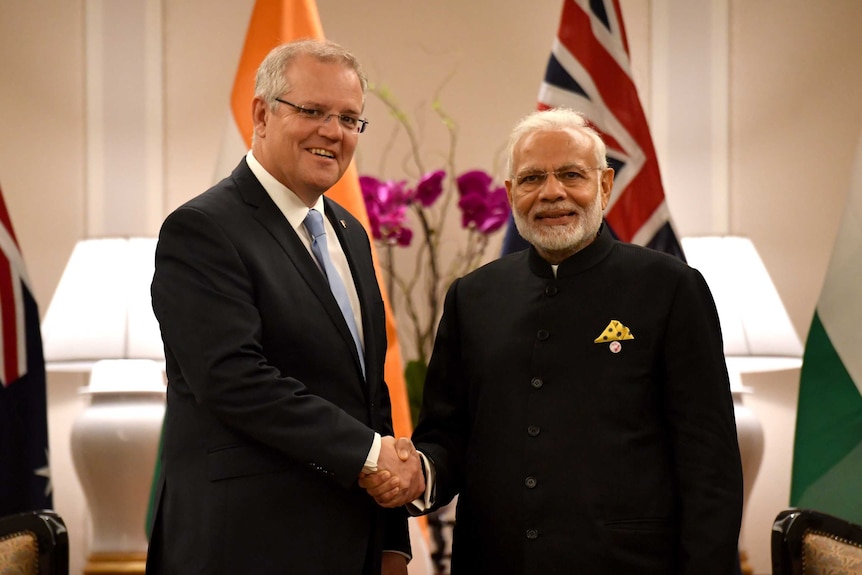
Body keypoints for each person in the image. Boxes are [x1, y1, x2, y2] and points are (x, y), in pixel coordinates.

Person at [362, 108, 744, 574]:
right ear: (509, 194)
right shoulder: (473, 296)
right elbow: (447, 436)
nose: (551, 193)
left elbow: (711, 468)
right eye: (531, 179)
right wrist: (418, 474)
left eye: (571, 175)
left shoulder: (670, 289)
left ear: (604, 185)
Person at [146, 39, 424, 575]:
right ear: (261, 114)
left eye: (349, 119)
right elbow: (234, 378)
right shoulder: (203, 230)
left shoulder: (350, 234)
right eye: (313, 111)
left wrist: (393, 538)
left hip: (351, 543)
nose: (332, 132)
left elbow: (370, 395)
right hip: (243, 546)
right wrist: (371, 455)